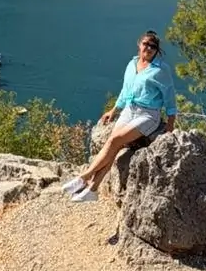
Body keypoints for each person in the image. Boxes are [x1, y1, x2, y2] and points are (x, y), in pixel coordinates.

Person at [63, 30, 177, 203]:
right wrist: (114, 110)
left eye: (153, 46)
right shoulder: (132, 64)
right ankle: (92, 190)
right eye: (146, 44)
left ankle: (84, 177)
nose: (149, 48)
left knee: (114, 140)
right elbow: (125, 90)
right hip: (129, 110)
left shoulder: (161, 70)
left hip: (148, 115)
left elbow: (170, 97)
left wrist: (170, 125)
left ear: (157, 50)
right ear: (139, 44)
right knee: (113, 145)